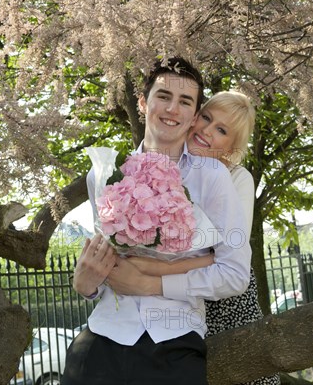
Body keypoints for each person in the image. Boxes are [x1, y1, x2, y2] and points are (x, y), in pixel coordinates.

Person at [62, 57, 252, 385]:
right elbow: (103, 260)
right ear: (142, 102)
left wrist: (156, 285)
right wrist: (86, 286)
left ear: (193, 116)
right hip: (101, 337)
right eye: (163, 96)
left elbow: (234, 274)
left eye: (185, 102)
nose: (172, 109)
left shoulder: (214, 178)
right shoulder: (104, 174)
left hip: (175, 344)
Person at [114, 91, 280, 384]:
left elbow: (220, 257)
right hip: (177, 306)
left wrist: (153, 270)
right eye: (206, 117)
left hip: (225, 300)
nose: (206, 130)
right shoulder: (166, 165)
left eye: (221, 130)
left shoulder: (236, 179)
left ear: (231, 147)